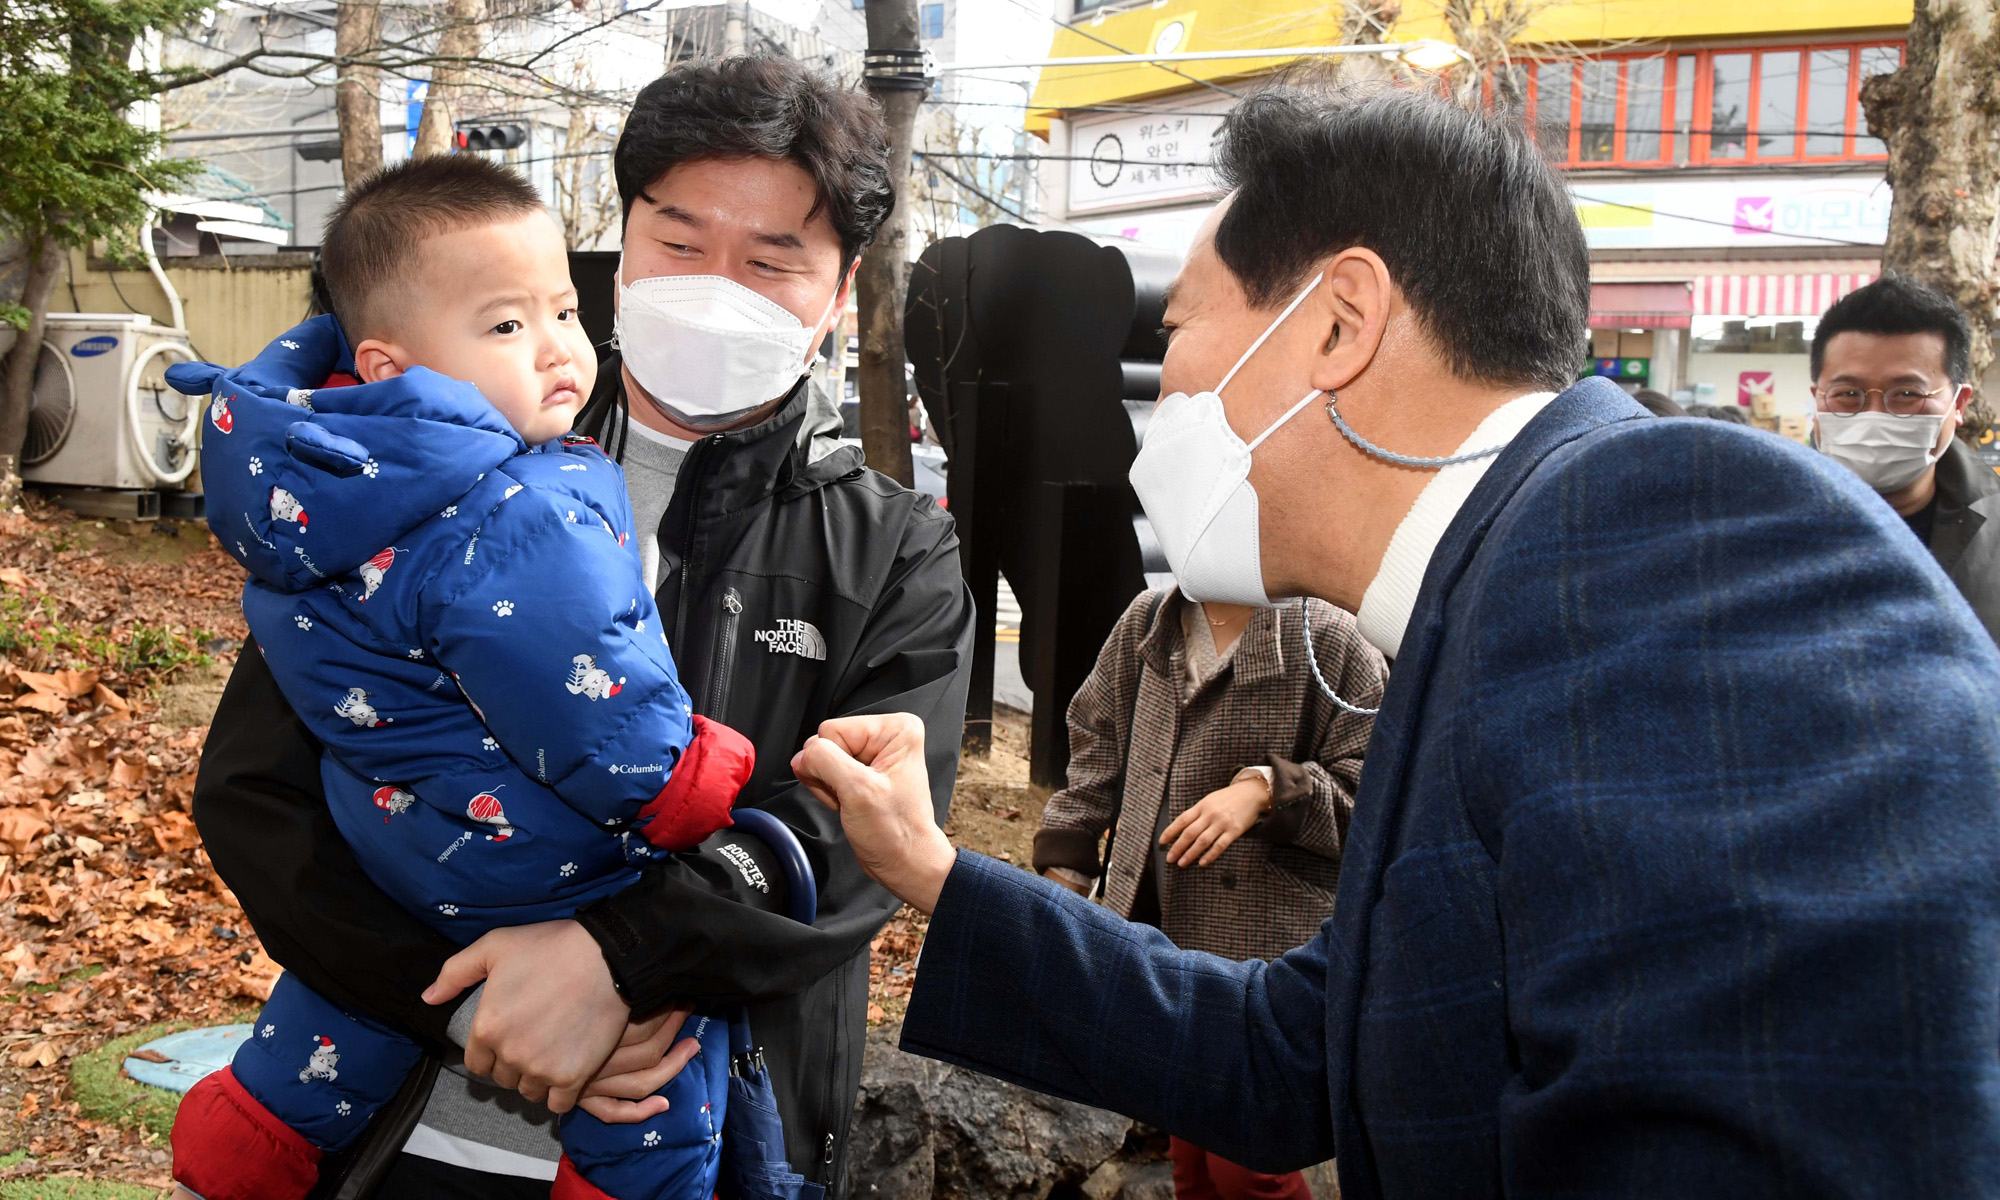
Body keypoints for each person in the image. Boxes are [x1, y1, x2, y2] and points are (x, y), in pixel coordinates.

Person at [790, 84, 2000, 1199]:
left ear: (1336, 325)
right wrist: (936, 873)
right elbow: (1289, 1060)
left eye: (1184, 332)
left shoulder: (1666, 530)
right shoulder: (1492, 594)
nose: (1157, 398)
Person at [191, 56, 974, 1198]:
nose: (716, 286)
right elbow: (258, 794)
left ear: (841, 293)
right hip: (397, 1135)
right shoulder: (416, 468)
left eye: (771, 262)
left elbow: (854, 836)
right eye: (679, 240)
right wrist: (463, 1003)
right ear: (619, 244)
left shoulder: (893, 548)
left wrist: (615, 963)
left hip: (698, 1147)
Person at [165, 155, 784, 1200]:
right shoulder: (515, 506)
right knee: (659, 1111)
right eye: (504, 327)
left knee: (307, 1058)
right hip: (541, 869)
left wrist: (614, 960)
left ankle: (238, 1144)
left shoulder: (323, 497)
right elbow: (598, 704)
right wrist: (692, 785)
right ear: (393, 362)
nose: (554, 351)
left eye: (559, 312)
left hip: (402, 865)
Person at [1031, 590, 1382, 1200]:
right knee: (1190, 1161)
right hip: (1158, 937)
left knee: (1250, 1168)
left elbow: (1378, 797)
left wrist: (1267, 790)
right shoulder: (1149, 621)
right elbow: (1096, 743)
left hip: (1273, 953)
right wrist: (1066, 868)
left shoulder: (1328, 638)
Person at [1811, 274, 2000, 640]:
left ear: (1959, 404)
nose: (1875, 415)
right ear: (1817, 397)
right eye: (1848, 393)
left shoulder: (1995, 529)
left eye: (1907, 394)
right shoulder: (1762, 516)